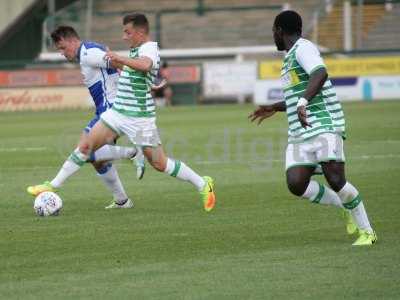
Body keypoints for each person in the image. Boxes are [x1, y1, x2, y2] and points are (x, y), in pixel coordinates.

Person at [28, 14, 216, 211]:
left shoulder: (149, 48)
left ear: (140, 32)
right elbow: (131, 68)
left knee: (160, 164)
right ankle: (53, 185)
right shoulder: (134, 49)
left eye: (127, 32)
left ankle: (203, 183)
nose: (124, 37)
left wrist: (121, 59)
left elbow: (143, 64)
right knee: (86, 147)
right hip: (117, 112)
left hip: (140, 118)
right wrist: (149, 78)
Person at [249, 10, 376, 245]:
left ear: (279, 30)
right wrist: (274, 107)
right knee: (296, 183)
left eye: (273, 32)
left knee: (336, 180)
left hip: (324, 124)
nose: (273, 37)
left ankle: (367, 231)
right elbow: (297, 94)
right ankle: (343, 205)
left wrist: (303, 101)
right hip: (300, 131)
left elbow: (320, 72)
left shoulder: (303, 48)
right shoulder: (288, 59)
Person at [27, 26, 145, 208]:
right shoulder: (89, 51)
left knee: (85, 148)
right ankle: (122, 200)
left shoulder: (88, 53)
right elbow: (113, 62)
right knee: (97, 160)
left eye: (62, 47)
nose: (61, 53)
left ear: (72, 40)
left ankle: (52, 185)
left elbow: (116, 62)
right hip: (105, 109)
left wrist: (141, 77)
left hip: (112, 109)